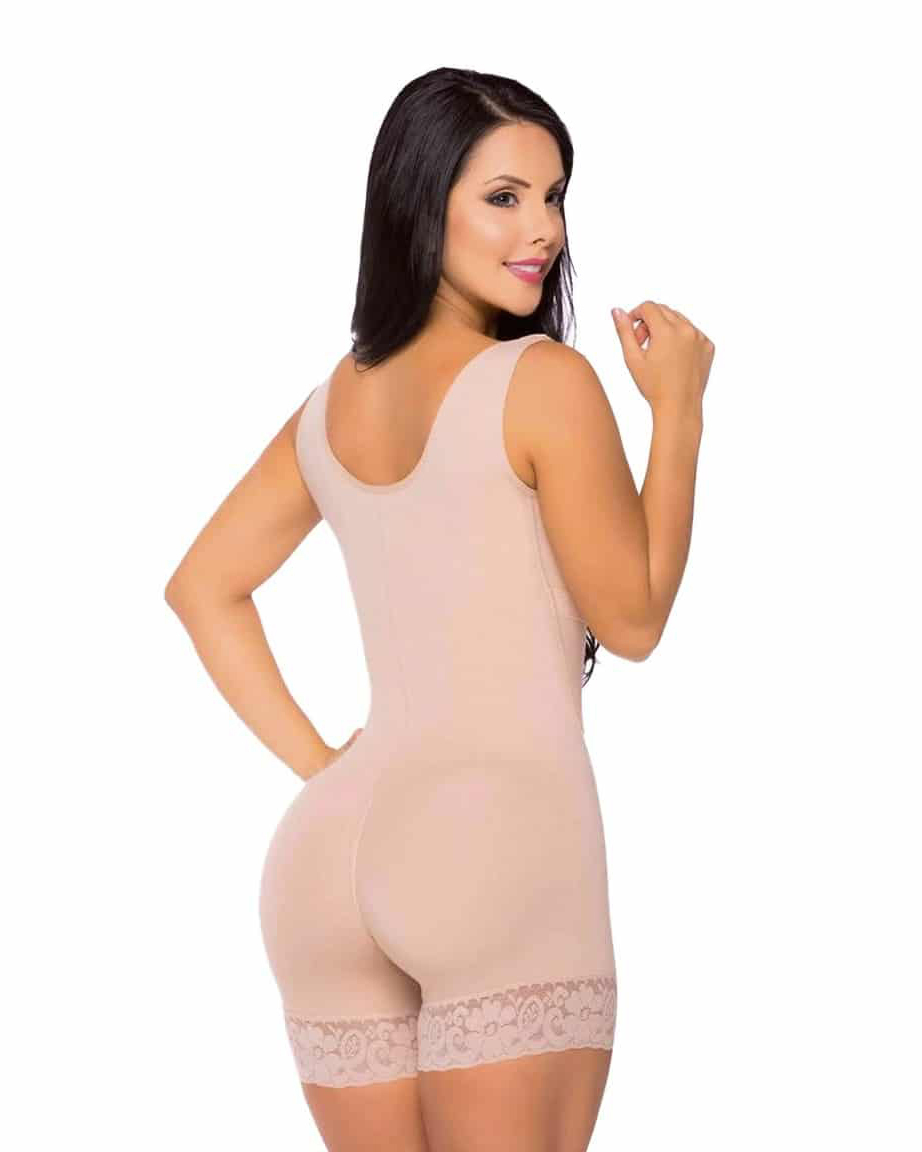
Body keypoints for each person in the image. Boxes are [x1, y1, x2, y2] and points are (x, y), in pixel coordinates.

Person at [165, 66, 713, 1152]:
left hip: (327, 859)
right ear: (421, 202)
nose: (542, 229)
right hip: (499, 844)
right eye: (503, 197)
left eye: (554, 196)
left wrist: (326, 769)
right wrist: (680, 411)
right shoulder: (543, 380)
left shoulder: (331, 405)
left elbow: (203, 587)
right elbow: (635, 619)